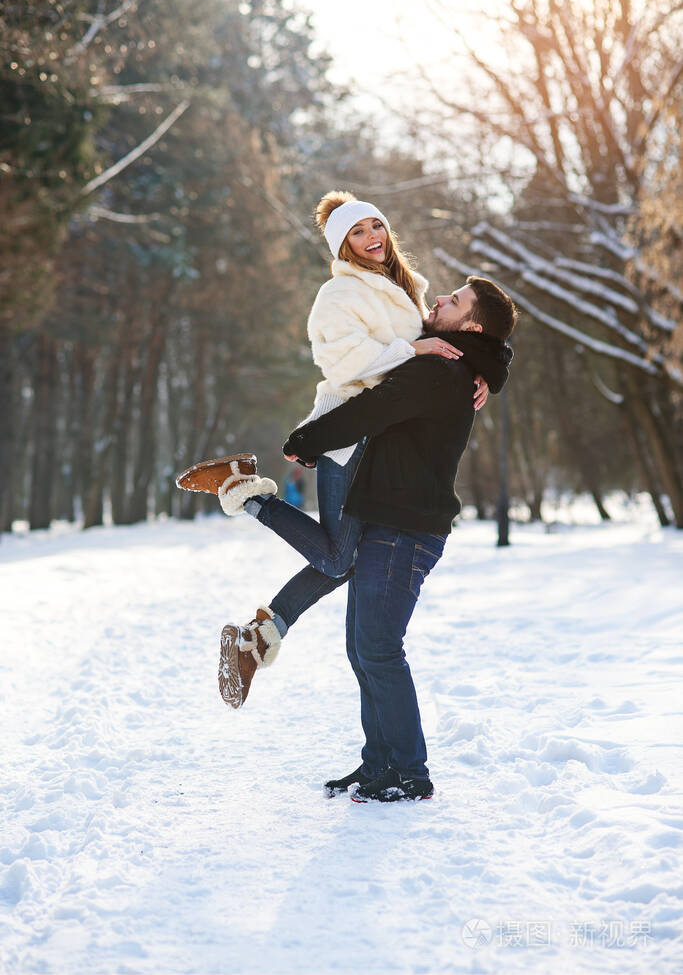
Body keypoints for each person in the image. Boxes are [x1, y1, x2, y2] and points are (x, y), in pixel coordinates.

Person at [220, 277, 518, 802]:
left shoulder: (444, 369)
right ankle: (379, 764)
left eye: (455, 301)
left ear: (471, 326)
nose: (441, 299)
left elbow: (371, 410)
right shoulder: (455, 367)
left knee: (379, 650)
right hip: (390, 523)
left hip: (406, 531)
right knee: (365, 650)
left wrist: (306, 440)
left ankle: (409, 772)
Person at [179, 191, 489, 686]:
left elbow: (465, 333)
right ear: (342, 246)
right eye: (357, 232)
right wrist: (412, 349)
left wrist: (484, 375)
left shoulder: (407, 288)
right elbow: (343, 363)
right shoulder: (339, 296)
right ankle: (243, 492)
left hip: (382, 438)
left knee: (343, 560)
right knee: (339, 558)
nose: (371, 238)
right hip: (347, 428)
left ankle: (260, 635)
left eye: (376, 226)